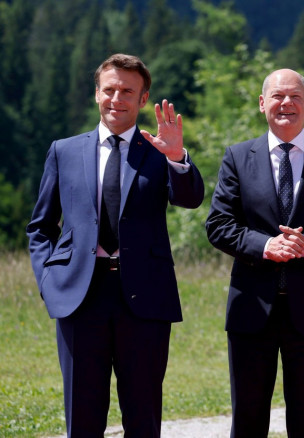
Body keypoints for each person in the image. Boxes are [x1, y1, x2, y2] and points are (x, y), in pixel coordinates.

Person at [26, 53, 205, 437]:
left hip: (144, 299)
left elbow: (190, 200)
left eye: (127, 91)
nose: (116, 99)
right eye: (109, 89)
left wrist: (176, 156)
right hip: (79, 297)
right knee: (83, 416)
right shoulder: (64, 150)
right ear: (96, 94)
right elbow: (40, 227)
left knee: (143, 417)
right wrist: (49, 281)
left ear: (143, 100)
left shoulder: (159, 150)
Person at [205, 68, 304, 438]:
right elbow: (218, 225)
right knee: (247, 419)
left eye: (294, 97)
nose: (286, 103)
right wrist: (265, 246)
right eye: (277, 96)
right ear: (262, 104)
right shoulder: (238, 156)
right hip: (251, 309)